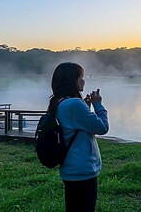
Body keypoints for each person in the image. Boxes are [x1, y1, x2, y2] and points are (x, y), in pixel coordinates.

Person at [48, 62, 109, 212]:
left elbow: (75, 126)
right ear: (71, 80)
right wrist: (98, 105)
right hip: (82, 169)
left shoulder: (58, 102)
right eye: (81, 77)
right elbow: (102, 128)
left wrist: (85, 109)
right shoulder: (74, 104)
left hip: (70, 167)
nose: (83, 80)